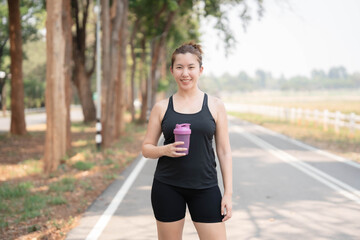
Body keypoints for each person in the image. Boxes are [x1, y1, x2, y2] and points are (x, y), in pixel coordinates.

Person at [142, 41, 232, 240]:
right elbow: (146, 148)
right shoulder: (162, 107)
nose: (185, 73)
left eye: (191, 67)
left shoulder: (216, 106)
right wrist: (164, 150)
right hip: (167, 187)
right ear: (172, 71)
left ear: (200, 70)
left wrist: (228, 194)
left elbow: (224, 151)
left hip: (206, 187)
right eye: (179, 67)